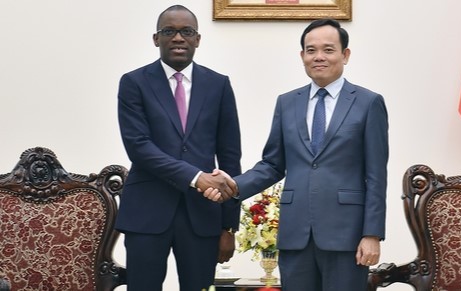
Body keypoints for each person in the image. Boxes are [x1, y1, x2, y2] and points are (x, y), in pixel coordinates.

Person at [205, 18, 389, 290]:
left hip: (346, 235)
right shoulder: (287, 102)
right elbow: (272, 164)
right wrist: (232, 186)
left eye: (328, 49)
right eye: (311, 50)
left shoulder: (368, 103)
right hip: (295, 233)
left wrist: (372, 234)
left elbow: (376, 174)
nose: (319, 57)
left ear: (345, 55)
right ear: (302, 56)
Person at [115, 5, 241, 291]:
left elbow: (230, 157)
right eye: (169, 31)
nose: (178, 38)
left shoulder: (218, 85)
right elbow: (139, 148)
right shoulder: (134, 83)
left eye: (186, 31)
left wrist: (228, 227)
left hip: (203, 216)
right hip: (146, 214)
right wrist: (196, 177)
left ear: (197, 39)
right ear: (156, 38)